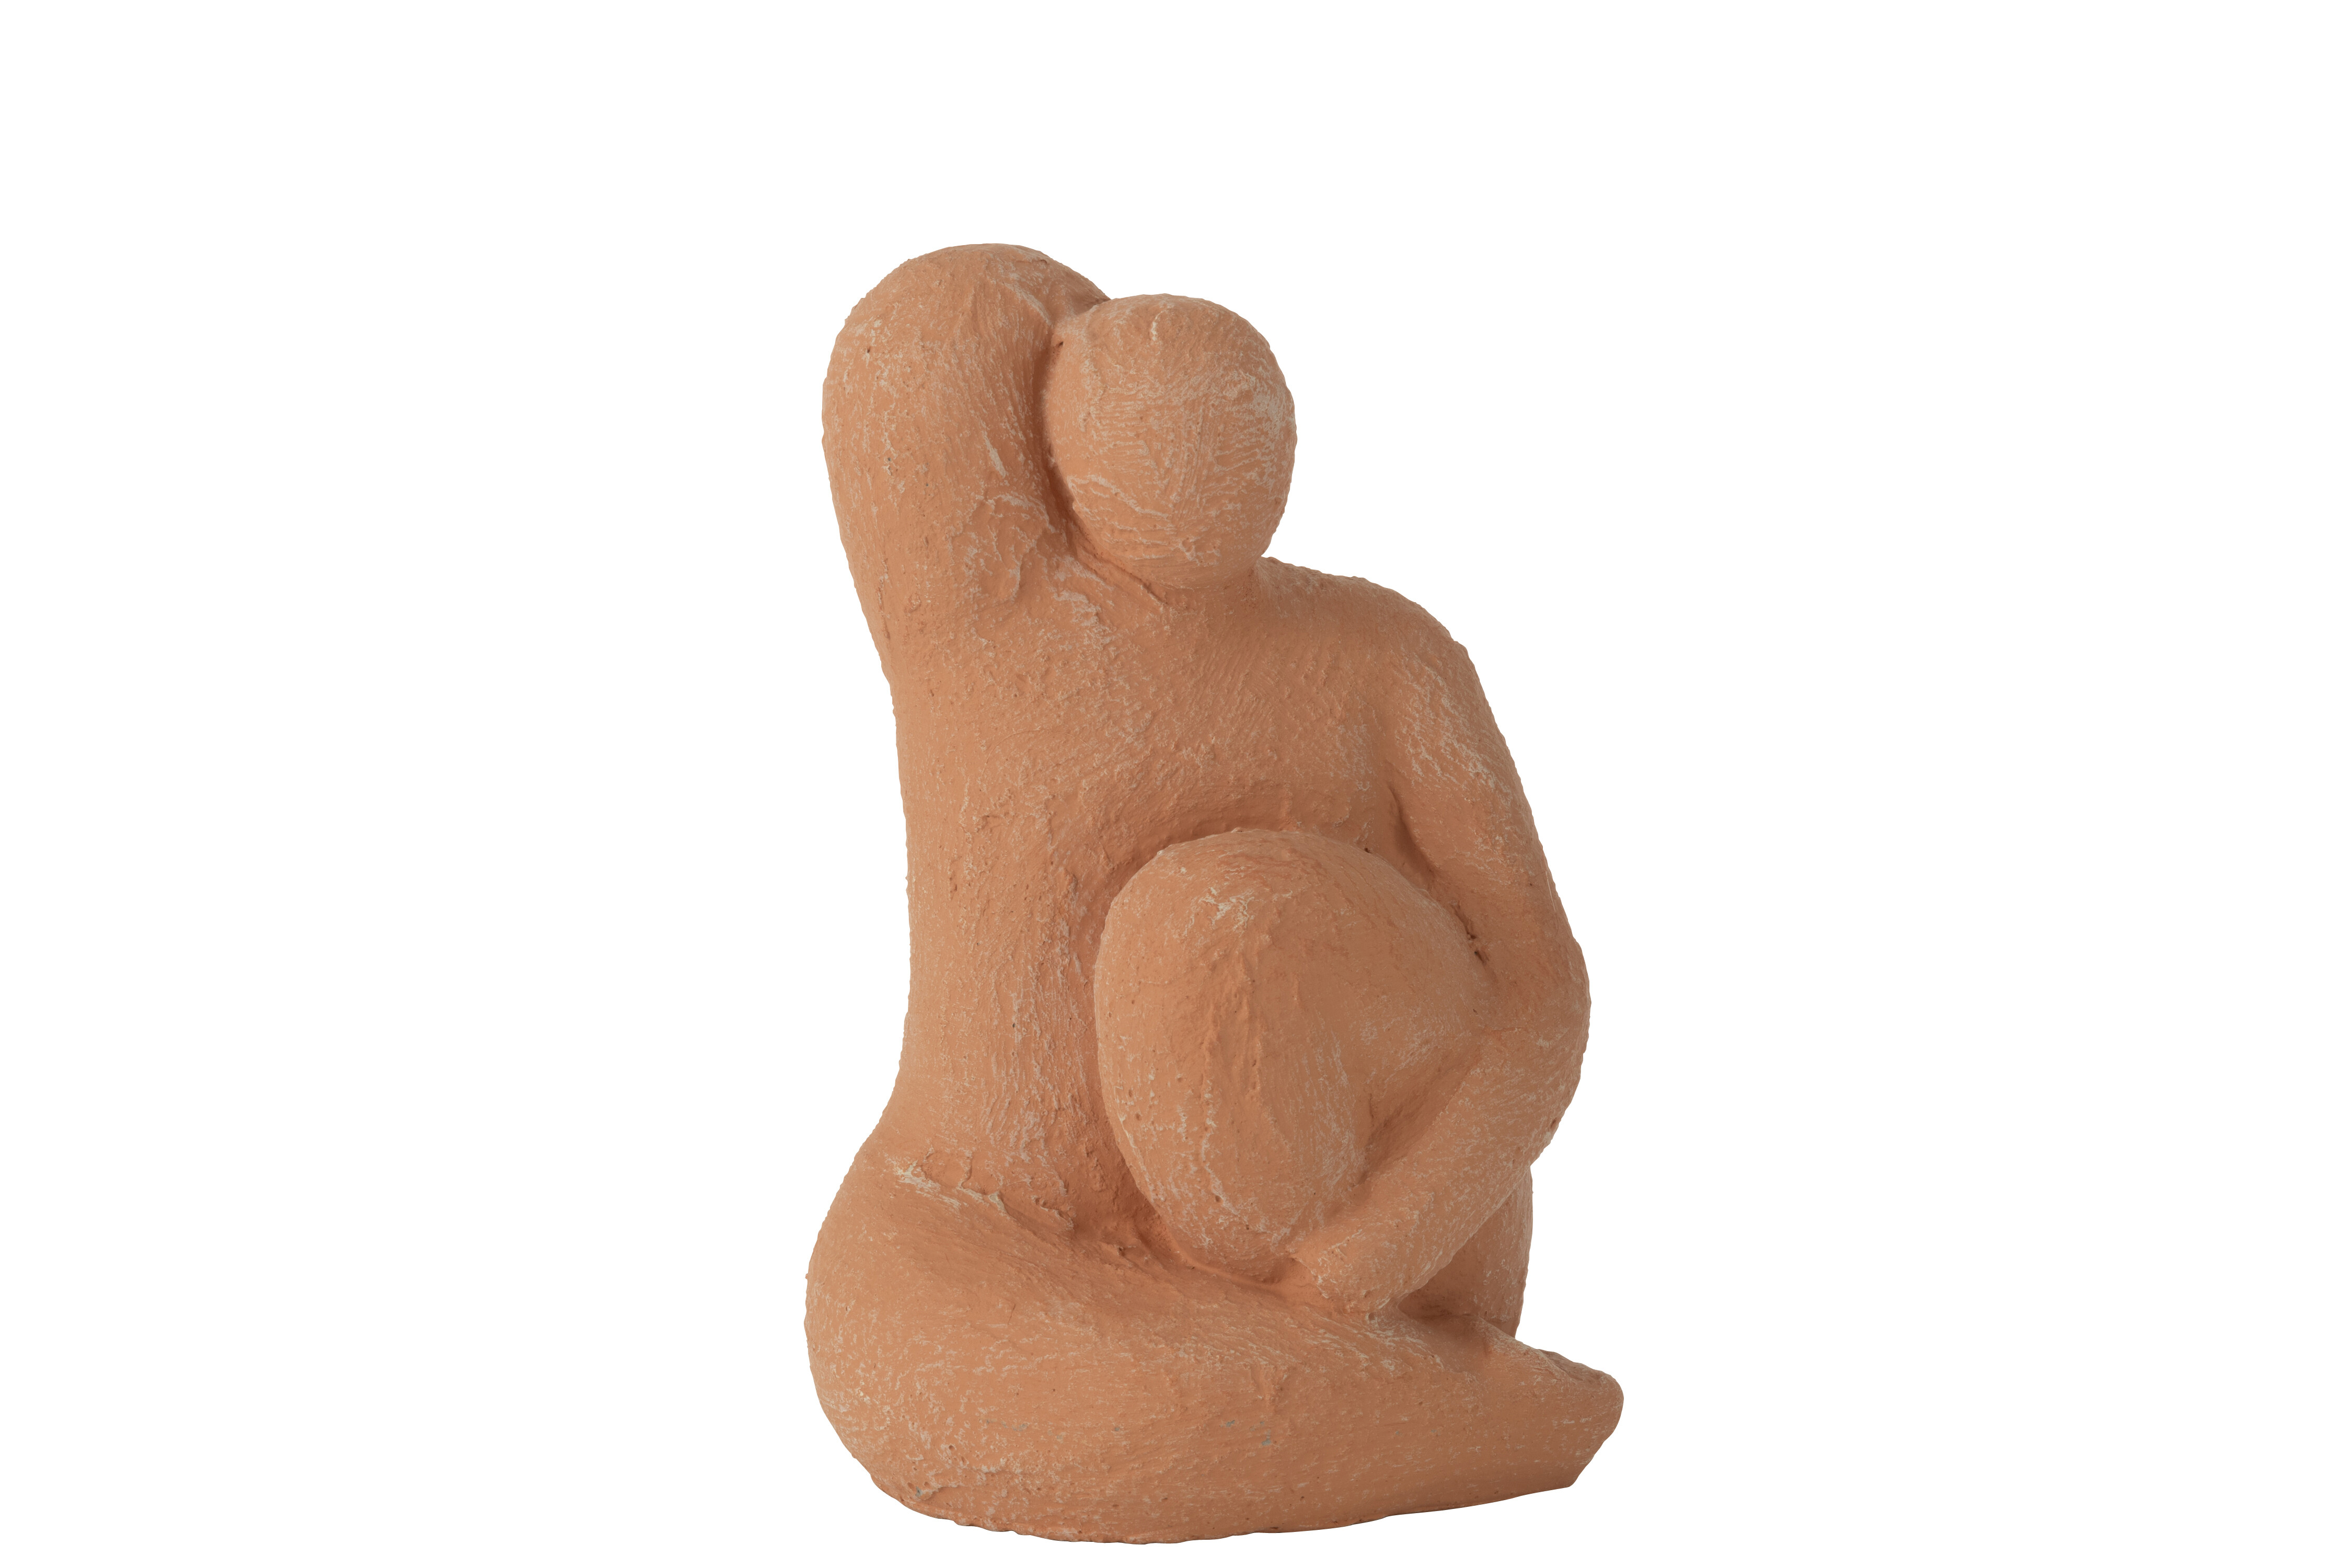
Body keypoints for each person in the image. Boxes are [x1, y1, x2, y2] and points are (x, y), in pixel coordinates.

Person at [808, 244, 1620, 1542]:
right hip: (1012, 1230)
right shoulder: (985, 633)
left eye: (1238, 435)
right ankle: (1402, 1400)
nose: (1200, 479)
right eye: (1149, 444)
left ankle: (1386, 1379)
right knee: (889, 1354)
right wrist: (1064, 317)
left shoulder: (1379, 657)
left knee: (1213, 930)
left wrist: (1380, 1246)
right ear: (1061, 452)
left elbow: (1540, 990)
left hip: (1377, 1227)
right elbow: (922, 345)